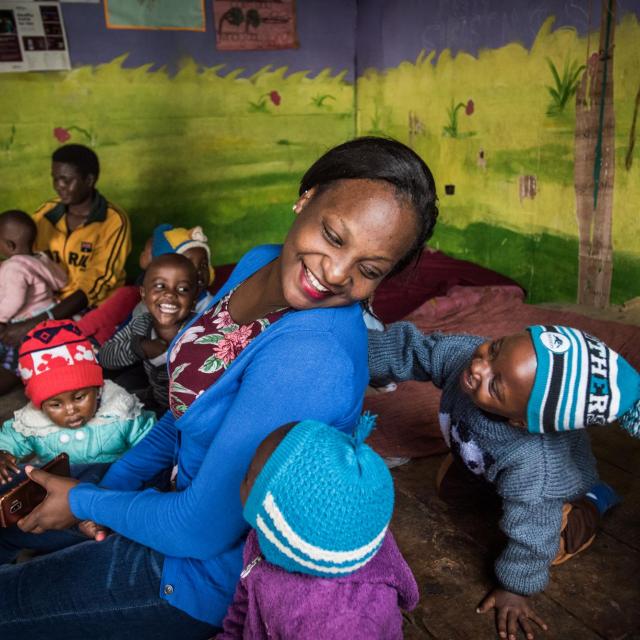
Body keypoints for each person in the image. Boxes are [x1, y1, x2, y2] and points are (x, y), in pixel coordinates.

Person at [0, 136, 439, 639]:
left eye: (369, 270)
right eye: (334, 236)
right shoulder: (260, 263)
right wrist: (109, 485)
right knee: (14, 510)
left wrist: (84, 502)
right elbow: (189, 407)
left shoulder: (311, 358)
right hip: (168, 489)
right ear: (307, 197)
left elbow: (201, 530)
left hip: (194, 575)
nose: (335, 274)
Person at [367, 323, 638, 640]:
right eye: (495, 348)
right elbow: (416, 350)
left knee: (553, 538)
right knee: (450, 488)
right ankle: (498, 487)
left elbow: (533, 537)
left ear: (520, 422)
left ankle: (593, 503)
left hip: (556, 496)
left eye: (495, 385)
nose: (479, 367)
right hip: (487, 463)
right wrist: (361, 352)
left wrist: (515, 588)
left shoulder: (536, 464)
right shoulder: (467, 356)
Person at [217, 416, 419, 639]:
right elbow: (244, 601)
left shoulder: (342, 624)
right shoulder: (268, 538)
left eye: (247, 476)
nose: (240, 477)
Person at [0, 144, 131, 393]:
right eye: (55, 178)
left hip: (85, 307)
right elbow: (21, 257)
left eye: (66, 180)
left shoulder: (113, 221)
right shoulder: (46, 213)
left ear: (89, 180)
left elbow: (92, 288)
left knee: (30, 348)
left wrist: (36, 322)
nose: (59, 186)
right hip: (42, 301)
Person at [0, 319, 156, 482]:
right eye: (55, 404)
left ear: (97, 389)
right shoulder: (32, 424)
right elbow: (7, 440)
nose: (70, 410)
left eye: (79, 397)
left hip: (115, 490)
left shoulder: (122, 414)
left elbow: (152, 447)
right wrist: (2, 454)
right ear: (40, 406)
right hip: (58, 496)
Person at [98, 254, 199, 412]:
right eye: (160, 286)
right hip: (157, 400)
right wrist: (140, 348)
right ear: (143, 293)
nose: (170, 294)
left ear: (194, 298)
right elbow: (105, 356)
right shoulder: (142, 323)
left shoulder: (200, 330)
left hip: (191, 410)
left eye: (183, 289)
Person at [0, 210, 67, 389]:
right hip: (46, 316)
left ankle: (11, 376)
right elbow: (62, 281)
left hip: (26, 323)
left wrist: (1, 317)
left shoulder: (13, 267)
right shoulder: (41, 259)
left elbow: (14, 300)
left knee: (14, 357)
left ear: (10, 245)